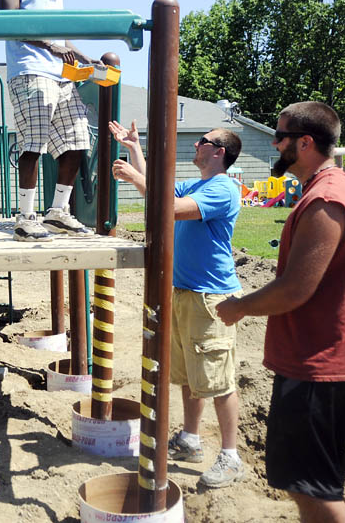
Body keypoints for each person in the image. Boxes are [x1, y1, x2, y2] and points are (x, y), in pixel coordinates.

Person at [216, 102, 345, 522]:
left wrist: (238, 308)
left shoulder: (326, 200)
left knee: (313, 489)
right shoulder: (336, 190)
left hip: (319, 366)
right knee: (310, 483)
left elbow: (294, 289)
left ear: (305, 143)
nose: (274, 143)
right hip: (325, 360)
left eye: (280, 136)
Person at [110, 119, 246, 488]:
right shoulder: (200, 184)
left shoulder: (222, 188)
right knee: (188, 376)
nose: (197, 144)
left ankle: (231, 456)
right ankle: (190, 439)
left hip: (211, 299)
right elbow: (160, 190)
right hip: (186, 292)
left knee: (218, 381)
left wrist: (133, 178)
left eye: (203, 140)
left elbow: (168, 209)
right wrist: (135, 149)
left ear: (219, 152)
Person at [0, 0, 98, 242]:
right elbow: (9, 21)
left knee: (78, 139)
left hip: (59, 74)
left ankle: (57, 212)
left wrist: (81, 55)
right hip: (29, 70)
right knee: (34, 142)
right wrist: (51, 46)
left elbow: (60, 33)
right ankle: (25, 218)